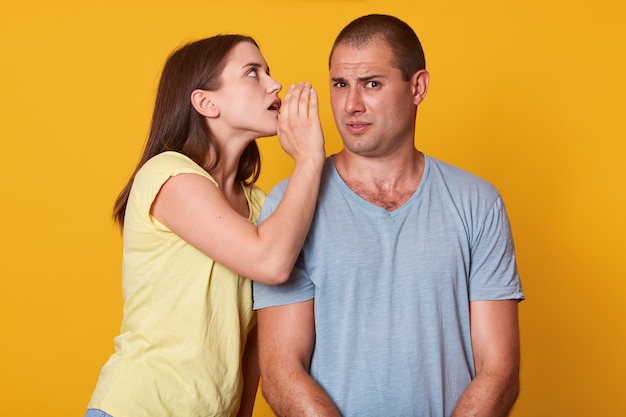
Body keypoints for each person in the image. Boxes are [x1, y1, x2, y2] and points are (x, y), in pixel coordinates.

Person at [253, 14, 525, 417]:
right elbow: (280, 371)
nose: (351, 105)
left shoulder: (477, 202)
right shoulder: (288, 206)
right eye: (340, 84)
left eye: (372, 84)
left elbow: (499, 368)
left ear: (418, 87)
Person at [84, 34, 325, 417]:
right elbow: (271, 262)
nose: (274, 84)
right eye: (252, 72)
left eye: (268, 71)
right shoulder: (167, 174)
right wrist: (310, 158)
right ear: (206, 102)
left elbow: (254, 342)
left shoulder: (261, 206)